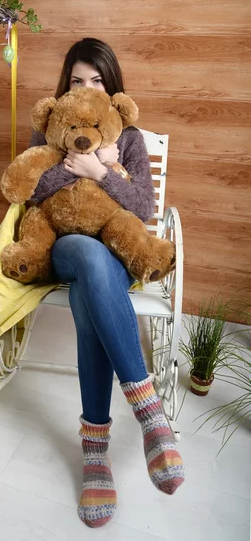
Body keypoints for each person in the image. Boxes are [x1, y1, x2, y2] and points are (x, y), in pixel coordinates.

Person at [29, 38, 184, 528]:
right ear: (65, 86)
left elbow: (143, 209)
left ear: (112, 86)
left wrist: (102, 170)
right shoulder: (52, 131)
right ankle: (149, 415)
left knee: (90, 290)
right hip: (65, 247)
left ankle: (95, 449)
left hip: (115, 254)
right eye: (77, 80)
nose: (86, 88)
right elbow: (28, 191)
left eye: (96, 79)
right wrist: (73, 164)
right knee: (87, 259)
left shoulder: (131, 138)